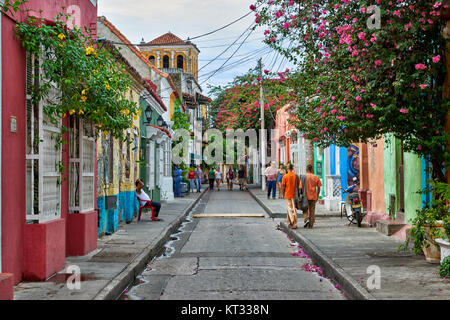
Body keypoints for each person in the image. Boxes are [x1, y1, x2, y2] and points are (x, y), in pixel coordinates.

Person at [299, 164, 322, 229]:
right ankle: (311, 224)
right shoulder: (316, 177)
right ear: (312, 169)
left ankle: (306, 218)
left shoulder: (303, 177)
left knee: (305, 209)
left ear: (306, 169)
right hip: (313, 196)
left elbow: (300, 187)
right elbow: (319, 187)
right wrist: (317, 195)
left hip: (305, 196)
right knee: (312, 210)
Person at [281, 164, 298, 229]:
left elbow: (283, 186)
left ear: (287, 168)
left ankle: (294, 223)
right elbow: (299, 185)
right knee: (293, 208)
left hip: (288, 194)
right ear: (292, 168)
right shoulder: (295, 176)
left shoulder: (285, 176)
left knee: (290, 209)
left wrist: (282, 194)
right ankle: (291, 222)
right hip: (294, 194)